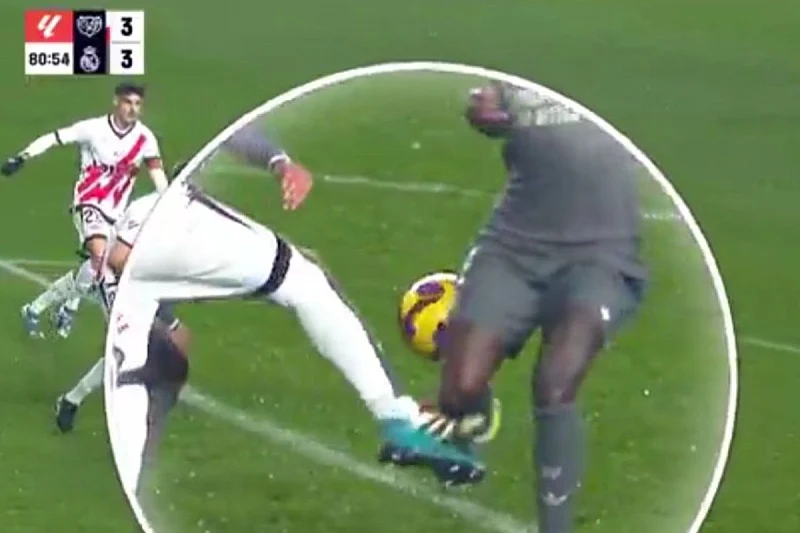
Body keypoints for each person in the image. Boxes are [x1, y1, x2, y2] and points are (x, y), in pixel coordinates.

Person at [102, 122, 484, 485]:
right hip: (163, 220)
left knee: (142, 374)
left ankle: (131, 483)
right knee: (304, 279)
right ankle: (399, 420)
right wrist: (279, 161)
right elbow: (234, 129)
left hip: (126, 250)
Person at [420, 81, 649, 531]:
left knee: (556, 382)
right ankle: (475, 410)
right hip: (514, 244)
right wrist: (484, 109)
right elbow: (484, 102)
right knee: (458, 391)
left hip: (601, 252)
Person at [1, 82, 168, 339]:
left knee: (95, 269)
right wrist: (23, 157)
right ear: (116, 102)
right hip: (89, 203)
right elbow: (54, 138)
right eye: (128, 102)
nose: (132, 109)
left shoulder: (145, 139)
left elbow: (158, 175)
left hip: (117, 213)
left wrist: (168, 201)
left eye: (137, 104)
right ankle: (109, 325)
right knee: (100, 260)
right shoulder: (93, 129)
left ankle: (40, 308)